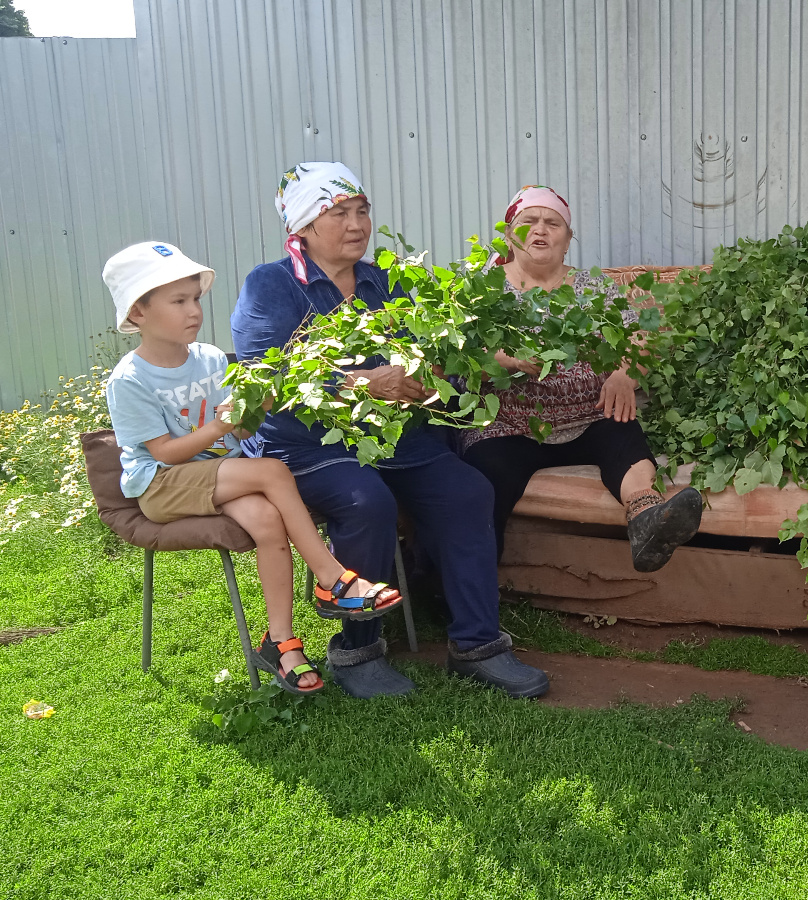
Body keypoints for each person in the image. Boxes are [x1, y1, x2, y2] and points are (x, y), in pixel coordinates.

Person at [231, 162, 549, 699]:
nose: (356, 225)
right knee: (366, 503)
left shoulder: (387, 279)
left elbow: (428, 351)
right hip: (308, 444)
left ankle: (477, 646)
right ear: (304, 227)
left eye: (362, 212)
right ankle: (357, 649)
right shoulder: (272, 285)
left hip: (398, 437)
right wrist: (360, 382)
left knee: (469, 491)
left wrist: (438, 375)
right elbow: (265, 376)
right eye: (339, 213)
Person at [103, 241, 403, 694]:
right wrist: (221, 424)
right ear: (138, 313)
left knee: (266, 520)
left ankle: (281, 644)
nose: (193, 311)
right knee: (272, 472)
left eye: (196, 299)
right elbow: (164, 453)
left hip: (216, 474)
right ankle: (331, 579)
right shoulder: (130, 379)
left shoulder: (207, 357)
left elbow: (234, 437)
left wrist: (248, 416)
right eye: (178, 301)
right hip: (162, 486)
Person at [460, 185, 701, 571]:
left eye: (553, 223)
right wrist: (508, 358)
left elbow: (637, 339)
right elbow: (456, 354)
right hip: (507, 426)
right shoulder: (481, 286)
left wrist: (625, 375)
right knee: (488, 478)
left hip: (587, 417)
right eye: (529, 222)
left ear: (567, 240)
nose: (541, 230)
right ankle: (470, 582)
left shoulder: (593, 288)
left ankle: (649, 522)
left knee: (622, 431)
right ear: (509, 234)